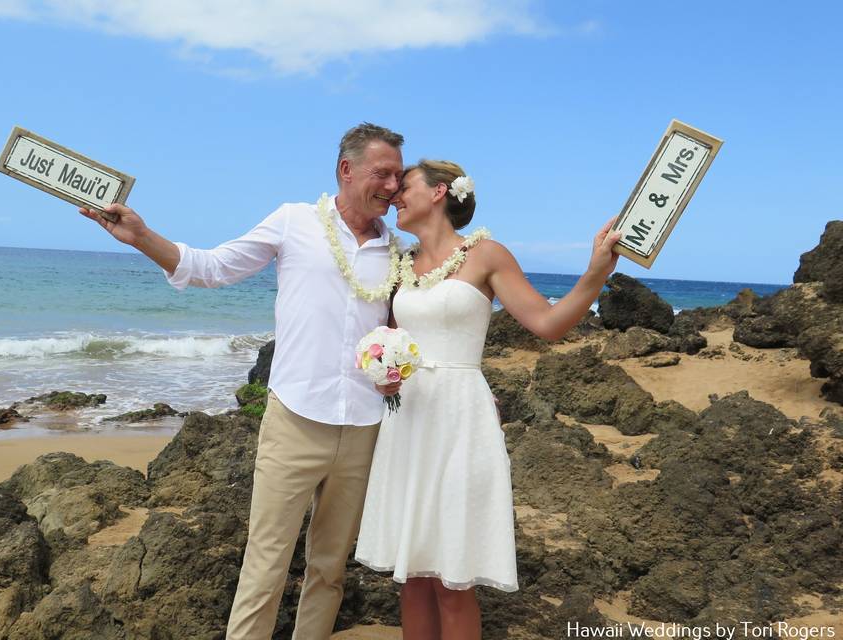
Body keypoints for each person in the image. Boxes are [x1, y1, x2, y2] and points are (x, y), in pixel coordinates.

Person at [79, 123, 406, 639]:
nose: (391, 186)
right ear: (346, 170)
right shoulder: (294, 221)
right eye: (381, 173)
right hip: (295, 419)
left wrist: (402, 376)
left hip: (365, 426)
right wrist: (141, 237)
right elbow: (212, 268)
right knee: (265, 563)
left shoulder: (398, 253)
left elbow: (402, 331)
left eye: (398, 176)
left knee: (330, 568)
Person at [353, 159, 621, 640]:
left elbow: (548, 324)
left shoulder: (486, 255)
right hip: (408, 421)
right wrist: (382, 378)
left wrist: (595, 273)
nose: (394, 194)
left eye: (404, 186)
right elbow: (391, 343)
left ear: (438, 192)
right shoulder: (401, 267)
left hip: (461, 418)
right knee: (411, 576)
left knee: (453, 581)